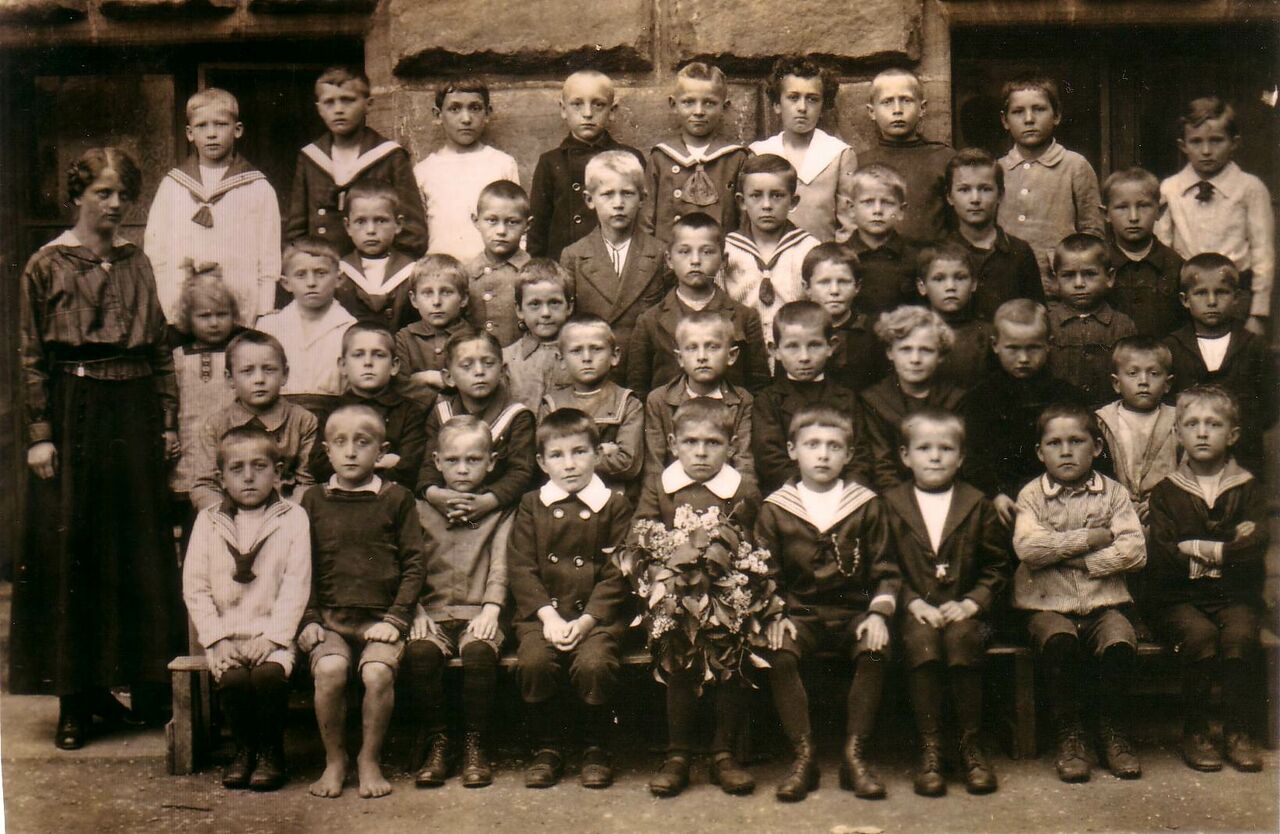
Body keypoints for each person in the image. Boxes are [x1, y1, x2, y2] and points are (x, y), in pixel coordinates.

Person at [13, 147, 184, 748]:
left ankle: (144, 687)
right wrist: (40, 434)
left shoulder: (138, 262)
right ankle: (76, 701)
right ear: (77, 196)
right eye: (102, 193)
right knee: (76, 551)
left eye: (122, 195)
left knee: (136, 547)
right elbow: (30, 356)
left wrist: (167, 420)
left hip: (133, 409)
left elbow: (158, 346)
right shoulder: (46, 264)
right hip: (75, 407)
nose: (114, 205)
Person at [754, 405, 899, 800]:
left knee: (874, 648)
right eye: (812, 444)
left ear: (849, 454)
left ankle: (855, 757)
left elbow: (887, 569)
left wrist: (878, 613)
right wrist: (775, 612)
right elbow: (765, 572)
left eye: (834, 446)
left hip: (855, 611)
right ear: (792, 450)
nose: (823, 455)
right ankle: (804, 757)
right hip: (800, 611)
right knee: (779, 650)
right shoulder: (776, 507)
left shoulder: (866, 504)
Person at [297, 404, 429, 799]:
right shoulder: (313, 500)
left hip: (380, 618)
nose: (351, 452)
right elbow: (300, 565)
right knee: (331, 670)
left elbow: (414, 563)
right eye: (340, 443)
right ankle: (335, 759)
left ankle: (369, 758)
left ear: (382, 451)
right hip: (330, 620)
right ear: (327, 451)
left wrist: (397, 618)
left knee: (377, 674)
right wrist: (309, 619)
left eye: (362, 442)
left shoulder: (397, 498)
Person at [1012, 403, 1146, 783]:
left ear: (1097, 447)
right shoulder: (1031, 496)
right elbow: (1029, 549)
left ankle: (1111, 729)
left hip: (1105, 603)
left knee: (1119, 640)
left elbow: (1135, 552)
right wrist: (1089, 538)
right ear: (1040, 452)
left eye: (1076, 441)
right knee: (1058, 641)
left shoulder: (1114, 495)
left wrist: (1080, 562)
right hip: (1047, 605)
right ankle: (1070, 733)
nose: (1066, 451)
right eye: (1054, 443)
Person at [635, 398, 762, 798]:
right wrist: (665, 571)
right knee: (678, 647)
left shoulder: (741, 488)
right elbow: (642, 535)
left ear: (731, 446)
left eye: (713, 443)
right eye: (691, 442)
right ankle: (678, 754)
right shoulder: (661, 485)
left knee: (729, 647)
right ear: (674, 444)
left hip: (727, 592)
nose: (701, 452)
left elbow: (753, 541)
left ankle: (723, 752)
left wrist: (731, 577)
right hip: (674, 594)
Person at [1145, 385, 1269, 773]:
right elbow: (1165, 555)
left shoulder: (1247, 488)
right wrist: (1228, 547)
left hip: (1234, 595)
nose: (1202, 432)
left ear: (1232, 435)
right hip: (1177, 599)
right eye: (1192, 424)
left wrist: (1196, 547)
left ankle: (1237, 731)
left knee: (1240, 637)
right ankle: (1196, 730)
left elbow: (1254, 548)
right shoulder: (1166, 492)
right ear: (1177, 433)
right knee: (1199, 638)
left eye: (1213, 424)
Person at [884, 410, 1007, 796]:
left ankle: (970, 745)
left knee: (962, 638)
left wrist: (973, 602)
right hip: (914, 612)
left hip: (966, 613)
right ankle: (931, 748)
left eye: (946, 448)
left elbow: (997, 565)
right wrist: (911, 602)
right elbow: (883, 564)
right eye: (924, 448)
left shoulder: (977, 503)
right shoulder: (891, 504)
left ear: (961, 457)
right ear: (905, 456)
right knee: (922, 641)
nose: (935, 456)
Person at [182, 425, 311, 791]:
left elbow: (296, 584)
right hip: (226, 636)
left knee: (268, 676)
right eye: (237, 469)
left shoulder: (293, 517)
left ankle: (271, 751)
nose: (249, 477)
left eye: (260, 466)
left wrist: (273, 638)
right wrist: (217, 639)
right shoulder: (208, 521)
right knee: (234, 679)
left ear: (278, 472)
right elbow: (195, 587)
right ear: (222, 478)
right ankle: (244, 750)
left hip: (273, 634)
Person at [508, 409, 632, 789]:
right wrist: (548, 618)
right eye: (557, 455)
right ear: (542, 462)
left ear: (597, 454)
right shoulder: (532, 504)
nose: (570, 464)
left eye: (579, 452)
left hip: (596, 617)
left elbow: (617, 573)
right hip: (543, 614)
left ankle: (595, 746)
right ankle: (548, 746)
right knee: (534, 662)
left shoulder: (614, 504)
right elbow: (522, 567)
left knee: (595, 664)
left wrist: (587, 620)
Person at [406, 416, 514, 788]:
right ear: (437, 462)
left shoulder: (501, 510)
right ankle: (440, 740)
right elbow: (409, 564)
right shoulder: (418, 509)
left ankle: (474, 742)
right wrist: (415, 610)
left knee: (480, 652)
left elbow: (501, 563)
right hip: (431, 612)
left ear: (492, 461)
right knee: (420, 653)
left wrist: (492, 609)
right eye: (453, 460)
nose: (463, 469)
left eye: (473, 459)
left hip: (480, 611)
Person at [145, 88, 280, 326]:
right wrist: (169, 309)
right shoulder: (173, 186)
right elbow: (156, 252)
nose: (211, 134)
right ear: (189, 133)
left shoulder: (257, 187)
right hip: (184, 309)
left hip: (240, 310)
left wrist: (263, 311)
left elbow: (268, 256)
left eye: (220, 124)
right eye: (202, 126)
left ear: (237, 130)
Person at [1156, 97, 1273, 336]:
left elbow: (1263, 253)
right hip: (1188, 298)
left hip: (1236, 296)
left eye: (1216, 140)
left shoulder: (1250, 188)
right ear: (1183, 145)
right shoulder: (1170, 189)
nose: (1206, 151)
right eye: (1196, 141)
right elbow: (1162, 247)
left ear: (1234, 143)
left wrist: (1258, 313)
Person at [963, 300, 1085, 525]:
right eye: (1013, 348)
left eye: (1033, 348)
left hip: (1062, 496)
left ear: (1049, 344)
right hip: (1003, 501)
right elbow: (972, 458)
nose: (1023, 358)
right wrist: (995, 493)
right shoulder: (979, 399)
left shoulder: (1067, 397)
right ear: (995, 345)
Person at [286, 66, 426, 257]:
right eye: (329, 102)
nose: (338, 110)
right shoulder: (310, 157)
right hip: (323, 268)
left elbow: (413, 232)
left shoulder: (390, 156)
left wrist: (391, 269)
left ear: (368, 104)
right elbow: (297, 232)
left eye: (348, 100)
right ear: (319, 109)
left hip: (376, 268)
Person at [627, 212, 769, 395]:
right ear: (669, 260)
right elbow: (638, 389)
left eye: (707, 252)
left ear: (723, 261)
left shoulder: (745, 317)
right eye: (684, 252)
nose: (695, 261)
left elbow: (759, 388)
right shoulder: (649, 321)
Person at [1163, 253, 1275, 476]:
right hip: (1187, 461)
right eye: (1201, 293)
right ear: (1185, 300)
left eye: (1221, 292)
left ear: (1236, 297)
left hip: (1243, 459)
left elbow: (1270, 407)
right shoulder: (1172, 347)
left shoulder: (1254, 346)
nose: (1212, 301)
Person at [559, 151, 665, 384]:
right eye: (607, 194)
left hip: (644, 371)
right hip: (593, 372)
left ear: (643, 198)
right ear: (589, 199)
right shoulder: (574, 256)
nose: (618, 204)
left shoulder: (660, 254)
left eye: (627, 193)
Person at [188, 330, 318, 510]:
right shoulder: (216, 425)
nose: (259, 379)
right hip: (230, 514)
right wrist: (225, 517)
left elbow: (306, 483)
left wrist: (285, 515)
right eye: (247, 371)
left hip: (286, 512)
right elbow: (205, 485)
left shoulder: (303, 421)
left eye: (269, 369)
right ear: (230, 378)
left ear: (285, 374)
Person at [752, 300, 871, 493]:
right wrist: (809, 493)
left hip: (843, 495)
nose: (804, 357)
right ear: (775, 350)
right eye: (792, 346)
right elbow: (771, 461)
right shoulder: (769, 401)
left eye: (814, 345)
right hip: (790, 495)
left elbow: (860, 457)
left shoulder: (846, 398)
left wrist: (846, 493)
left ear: (831, 346)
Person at [417, 331, 537, 521]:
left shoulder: (517, 416)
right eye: (467, 365)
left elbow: (521, 472)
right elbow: (429, 464)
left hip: (497, 509)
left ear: (503, 370)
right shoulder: (441, 412)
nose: (479, 371)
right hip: (446, 505)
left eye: (488, 363)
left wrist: (488, 501)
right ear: (449, 377)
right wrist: (433, 494)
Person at [527, 70, 645, 260]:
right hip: (564, 264)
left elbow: (643, 219)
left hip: (616, 260)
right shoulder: (550, 162)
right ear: (563, 109)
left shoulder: (630, 158)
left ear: (612, 111)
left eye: (598, 104)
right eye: (577, 104)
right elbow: (537, 229)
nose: (588, 113)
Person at [997, 77, 1105, 283]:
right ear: (1005, 120)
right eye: (1018, 112)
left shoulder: (1075, 166)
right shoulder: (998, 169)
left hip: (1058, 282)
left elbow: (1092, 232)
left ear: (1056, 115)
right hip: (1008, 280)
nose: (1029, 119)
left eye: (1039, 109)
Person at [750, 55, 857, 243]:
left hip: (822, 257)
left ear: (823, 106)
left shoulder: (839, 154)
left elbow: (848, 225)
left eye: (812, 99)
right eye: (793, 98)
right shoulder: (759, 153)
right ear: (777, 104)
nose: (802, 107)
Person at [413, 77, 521, 262]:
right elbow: (417, 235)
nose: (466, 119)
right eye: (455, 109)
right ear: (438, 115)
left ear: (487, 113)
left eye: (475, 108)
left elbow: (517, 221)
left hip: (493, 270)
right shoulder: (424, 171)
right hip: (441, 272)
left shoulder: (502, 164)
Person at [642, 309, 755, 485]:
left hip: (726, 492)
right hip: (672, 494)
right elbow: (654, 468)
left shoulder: (742, 400)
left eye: (712, 347)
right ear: (680, 358)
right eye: (692, 348)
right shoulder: (659, 400)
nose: (702, 357)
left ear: (731, 355)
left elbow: (744, 462)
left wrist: (743, 497)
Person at [310, 322, 428, 491]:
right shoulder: (331, 410)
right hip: (340, 494)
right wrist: (382, 463)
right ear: (343, 365)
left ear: (394, 366)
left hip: (389, 495)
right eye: (358, 355)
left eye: (378, 355)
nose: (368, 363)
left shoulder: (409, 411)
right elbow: (319, 465)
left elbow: (410, 468)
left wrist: (351, 468)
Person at [861, 306, 965, 492]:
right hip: (893, 497)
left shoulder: (956, 399)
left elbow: (962, 461)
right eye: (905, 349)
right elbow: (882, 464)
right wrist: (903, 504)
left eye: (926, 350)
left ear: (940, 355)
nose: (915, 359)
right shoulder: (875, 399)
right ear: (890, 352)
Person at [723, 154, 821, 349]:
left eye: (777, 195)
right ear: (742, 201)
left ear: (793, 202)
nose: (766, 205)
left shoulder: (809, 248)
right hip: (742, 351)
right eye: (756, 195)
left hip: (795, 351)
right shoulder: (727, 249)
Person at [644, 61, 747, 244]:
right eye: (688, 102)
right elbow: (646, 219)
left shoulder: (736, 158)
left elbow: (745, 220)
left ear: (724, 107)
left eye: (709, 103)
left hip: (721, 255)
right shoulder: (660, 157)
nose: (699, 111)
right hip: (669, 256)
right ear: (673, 104)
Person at [168, 264, 242, 519]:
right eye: (204, 316)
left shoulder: (239, 353)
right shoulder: (177, 357)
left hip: (231, 436)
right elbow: (171, 399)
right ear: (188, 318)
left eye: (222, 314)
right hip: (190, 437)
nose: (214, 323)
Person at [540, 315, 645, 494]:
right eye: (576, 351)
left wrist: (568, 459)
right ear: (561, 360)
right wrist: (603, 451)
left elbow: (628, 463)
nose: (587, 358)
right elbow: (545, 463)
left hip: (614, 496)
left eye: (596, 349)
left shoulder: (627, 402)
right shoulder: (551, 405)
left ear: (614, 356)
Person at [255, 238, 357, 415]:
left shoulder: (351, 329)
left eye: (321, 273)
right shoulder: (269, 327)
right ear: (286, 283)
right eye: (301, 274)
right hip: (276, 417)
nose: (311, 282)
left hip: (334, 417)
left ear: (339, 279)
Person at [942, 148, 1044, 320]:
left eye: (985, 189)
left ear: (1000, 194)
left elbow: (1035, 315)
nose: (975, 199)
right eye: (964, 190)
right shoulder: (939, 253)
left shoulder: (1020, 252)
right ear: (949, 197)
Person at [857, 68, 954, 244]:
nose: (897, 110)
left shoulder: (944, 159)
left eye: (906, 100)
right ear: (872, 112)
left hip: (932, 257)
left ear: (922, 108)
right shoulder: (860, 163)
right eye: (887, 102)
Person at [1095, 337, 1178, 527]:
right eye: (1133, 373)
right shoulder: (1102, 422)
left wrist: (1162, 501)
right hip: (1113, 512)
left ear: (1168, 384)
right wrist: (1120, 503)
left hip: (1166, 513)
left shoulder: (1178, 421)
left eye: (1154, 373)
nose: (1143, 381)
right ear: (1116, 383)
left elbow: (1187, 470)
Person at [1046, 233, 1138, 406]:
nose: (1079, 283)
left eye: (1089, 274)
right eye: (1068, 275)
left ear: (1109, 277)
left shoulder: (1123, 325)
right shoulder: (1047, 324)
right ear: (1055, 279)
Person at [1102, 167, 1185, 338]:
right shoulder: (1099, 265)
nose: (1133, 217)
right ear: (1106, 214)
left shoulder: (1176, 265)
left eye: (1143, 206)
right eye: (1122, 207)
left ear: (1160, 211)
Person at [334, 181, 420, 332]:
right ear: (348, 226)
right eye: (360, 221)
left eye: (381, 220)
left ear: (398, 224)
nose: (371, 230)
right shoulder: (339, 273)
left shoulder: (412, 272)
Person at [802, 243, 887, 393]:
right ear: (807, 287)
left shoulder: (874, 332)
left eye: (843, 282)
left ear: (857, 287)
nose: (834, 291)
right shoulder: (796, 330)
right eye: (824, 282)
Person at [393, 254, 474, 406]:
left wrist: (422, 379)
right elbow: (399, 386)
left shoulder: (474, 338)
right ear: (414, 299)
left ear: (463, 298)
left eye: (446, 292)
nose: (436, 302)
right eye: (427, 293)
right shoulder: (404, 338)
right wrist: (432, 385)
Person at [842, 164, 919, 321]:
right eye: (868, 202)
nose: (877, 210)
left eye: (887, 202)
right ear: (851, 208)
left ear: (901, 211)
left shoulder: (916, 257)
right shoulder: (839, 257)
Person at [914, 242, 992, 387]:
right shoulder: (912, 334)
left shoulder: (987, 336)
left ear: (974, 283)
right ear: (922, 286)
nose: (951, 287)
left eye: (960, 278)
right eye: (939, 279)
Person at [466, 179, 532, 346]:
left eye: (512, 222)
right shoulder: (466, 274)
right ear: (476, 220)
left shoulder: (534, 273)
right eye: (492, 220)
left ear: (527, 225)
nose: (501, 231)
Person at [502, 259, 575, 410]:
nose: (545, 313)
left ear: (569, 306)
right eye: (535, 304)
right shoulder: (506, 360)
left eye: (554, 303)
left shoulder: (581, 356)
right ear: (519, 310)